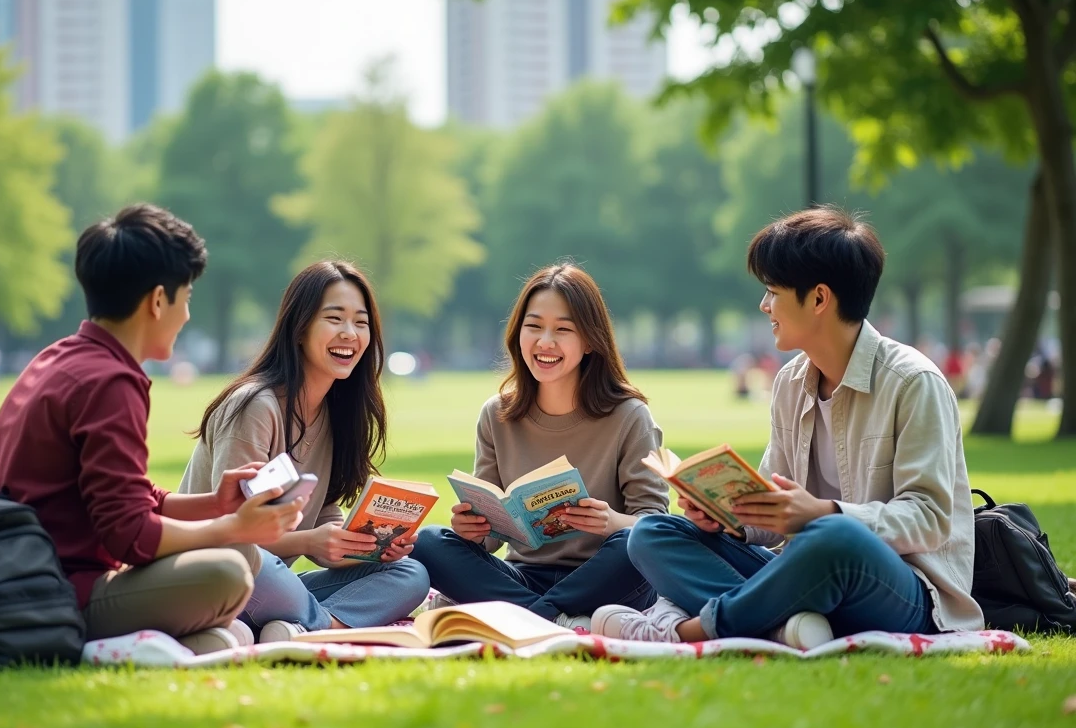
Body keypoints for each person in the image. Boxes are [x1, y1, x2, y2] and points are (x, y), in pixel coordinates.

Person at [594, 207, 984, 649]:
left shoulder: (915, 383)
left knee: (833, 536)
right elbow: (773, 514)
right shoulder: (790, 383)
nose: (764, 306)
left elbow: (931, 520)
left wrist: (823, 513)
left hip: (906, 592)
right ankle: (786, 625)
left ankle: (693, 630)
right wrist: (728, 519)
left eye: (773, 292)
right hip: (803, 569)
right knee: (652, 533)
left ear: (819, 299)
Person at [0, 205, 305, 654]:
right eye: (185, 298)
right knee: (228, 570)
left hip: (13, 574)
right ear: (156, 301)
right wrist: (231, 525)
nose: (186, 315)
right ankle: (106, 648)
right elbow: (130, 534)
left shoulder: (61, 357)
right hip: (51, 592)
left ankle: (187, 642)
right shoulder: (112, 381)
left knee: (240, 563)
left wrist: (214, 504)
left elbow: (129, 496)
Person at [179, 261, 430, 643]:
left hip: (276, 584)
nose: (350, 333)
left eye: (361, 323)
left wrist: (367, 546)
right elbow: (233, 531)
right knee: (260, 565)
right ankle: (318, 628)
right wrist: (309, 541)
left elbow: (325, 520)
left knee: (411, 574)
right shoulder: (254, 406)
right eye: (335, 318)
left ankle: (296, 626)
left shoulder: (337, 415)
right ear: (300, 328)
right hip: (219, 570)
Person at [411, 262, 668, 630]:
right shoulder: (497, 414)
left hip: (607, 580)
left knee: (633, 542)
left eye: (562, 330)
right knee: (430, 541)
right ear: (518, 334)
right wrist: (476, 531)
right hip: (521, 576)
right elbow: (492, 539)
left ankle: (523, 618)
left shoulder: (630, 416)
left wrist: (610, 521)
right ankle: (556, 620)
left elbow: (655, 527)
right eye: (533, 327)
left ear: (591, 340)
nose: (544, 342)